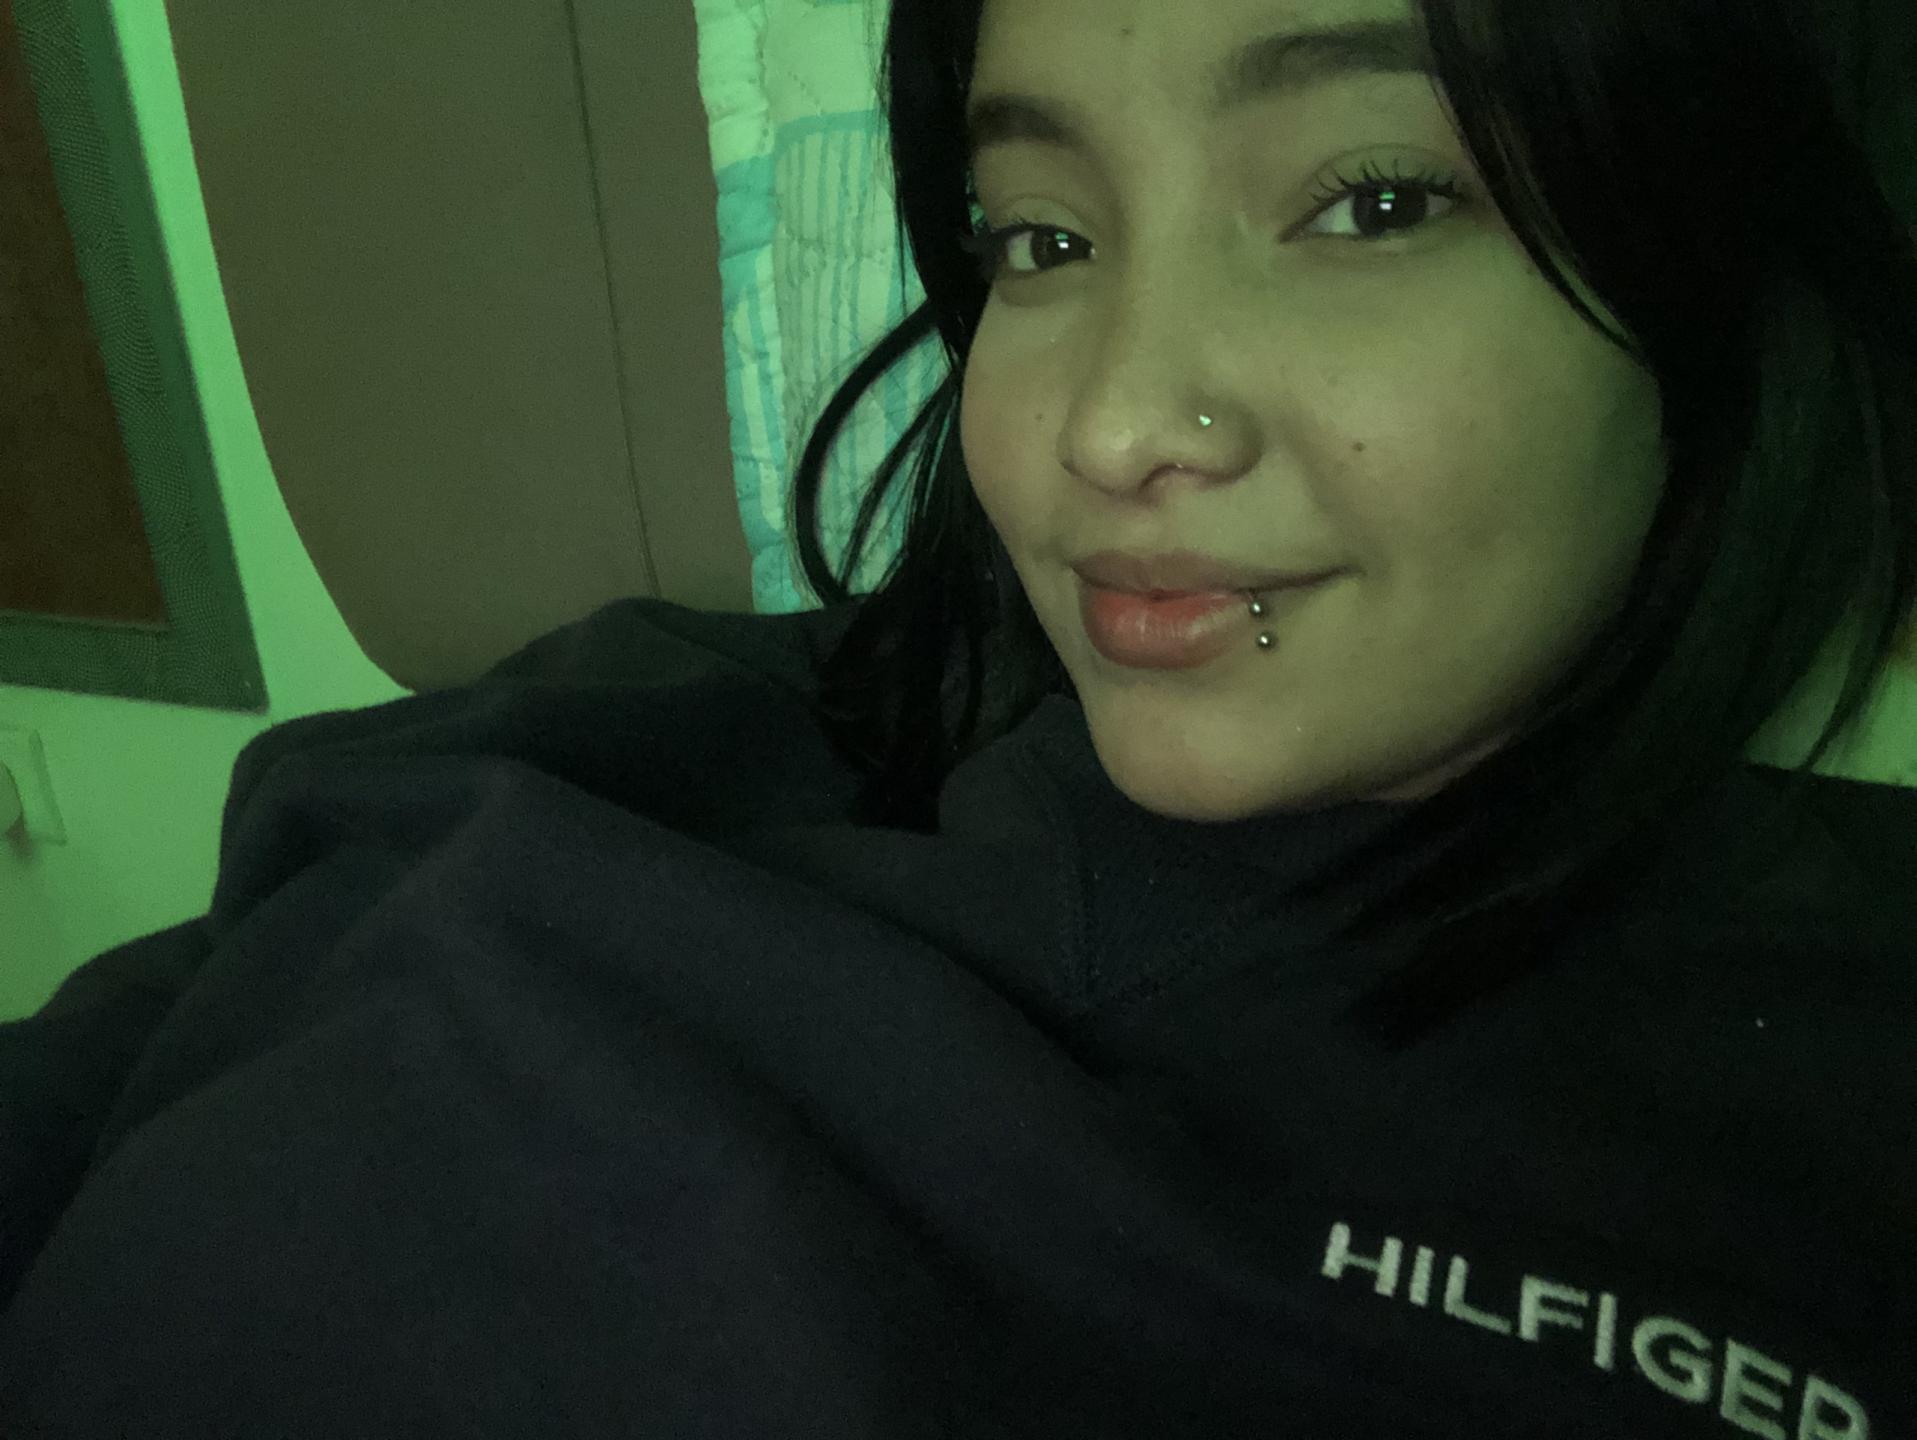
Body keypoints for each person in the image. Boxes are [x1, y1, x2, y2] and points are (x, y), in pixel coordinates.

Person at [4, 0, 1914, 1434]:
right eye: (1040, 239)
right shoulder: (616, 730)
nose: (1110, 426)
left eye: (1372, 202)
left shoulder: (1827, 1115)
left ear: (1723, 278)